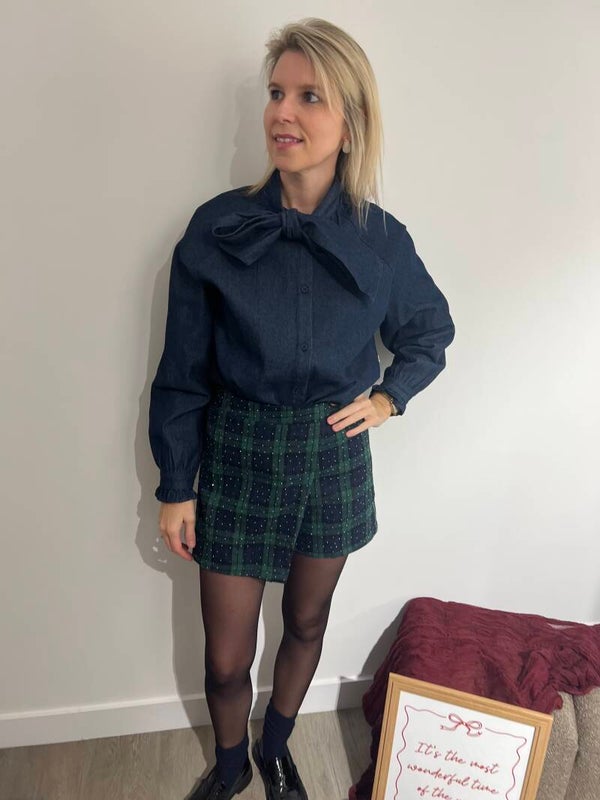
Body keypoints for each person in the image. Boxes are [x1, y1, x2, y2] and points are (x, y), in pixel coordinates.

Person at [148, 17, 455, 800]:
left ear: (350, 124)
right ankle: (230, 765)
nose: (282, 113)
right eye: (276, 93)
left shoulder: (381, 240)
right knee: (226, 657)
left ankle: (277, 747)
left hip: (331, 453)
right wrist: (176, 484)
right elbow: (181, 371)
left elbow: (428, 332)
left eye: (309, 97)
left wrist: (388, 399)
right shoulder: (218, 228)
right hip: (236, 451)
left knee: (308, 623)